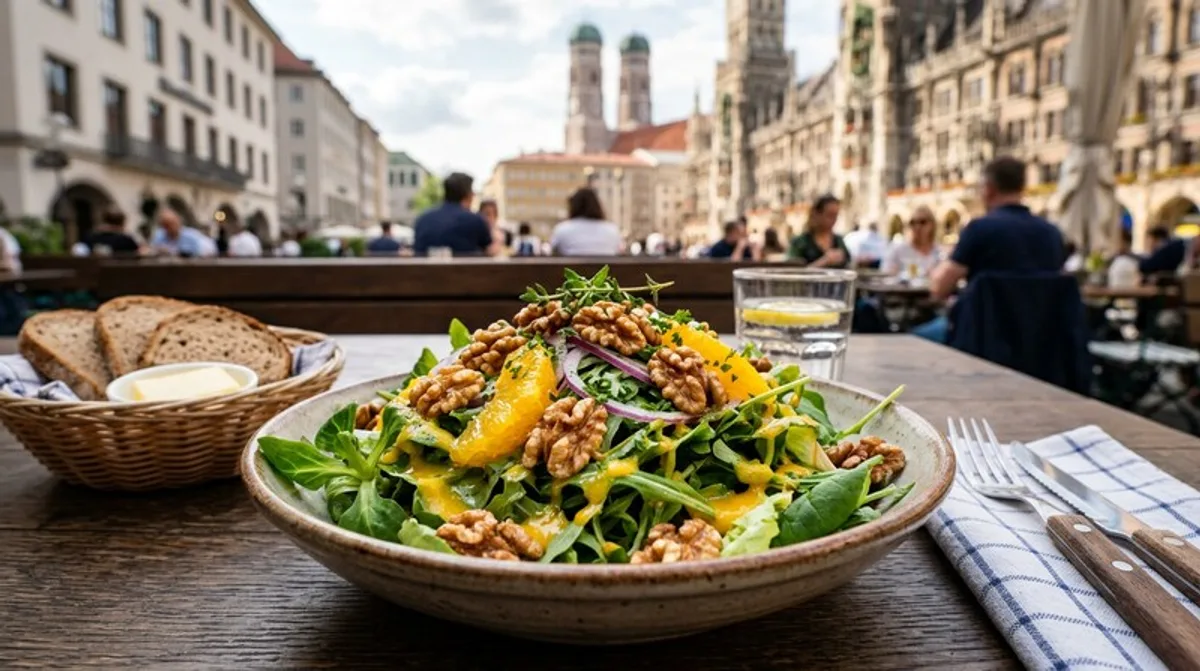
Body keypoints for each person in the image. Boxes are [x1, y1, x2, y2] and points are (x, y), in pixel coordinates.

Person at [915, 156, 1065, 342]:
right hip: (1040, 340)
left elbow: (939, 289)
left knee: (915, 338)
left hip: (983, 336)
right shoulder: (1051, 233)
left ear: (989, 189)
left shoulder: (980, 229)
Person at [413, 172, 501, 256]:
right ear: (468, 195)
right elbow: (489, 250)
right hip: (466, 271)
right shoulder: (476, 221)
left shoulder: (422, 220)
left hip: (428, 272)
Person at [550, 187, 622, 256]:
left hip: (573, 269)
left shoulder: (562, 229)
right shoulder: (612, 230)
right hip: (606, 269)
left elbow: (554, 253)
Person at [789, 195, 851, 268]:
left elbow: (849, 264)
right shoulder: (801, 242)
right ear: (817, 214)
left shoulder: (839, 240)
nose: (834, 220)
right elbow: (793, 272)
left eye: (836, 215)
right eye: (830, 215)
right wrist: (824, 261)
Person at [881, 205, 941, 277]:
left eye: (922, 222)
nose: (917, 226)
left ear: (932, 224)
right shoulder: (896, 250)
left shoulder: (940, 252)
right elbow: (886, 275)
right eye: (912, 222)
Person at [150, 209, 217, 258]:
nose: (169, 227)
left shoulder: (191, 235)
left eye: (171, 224)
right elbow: (152, 249)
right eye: (165, 225)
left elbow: (198, 254)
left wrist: (170, 252)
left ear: (178, 222)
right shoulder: (160, 235)